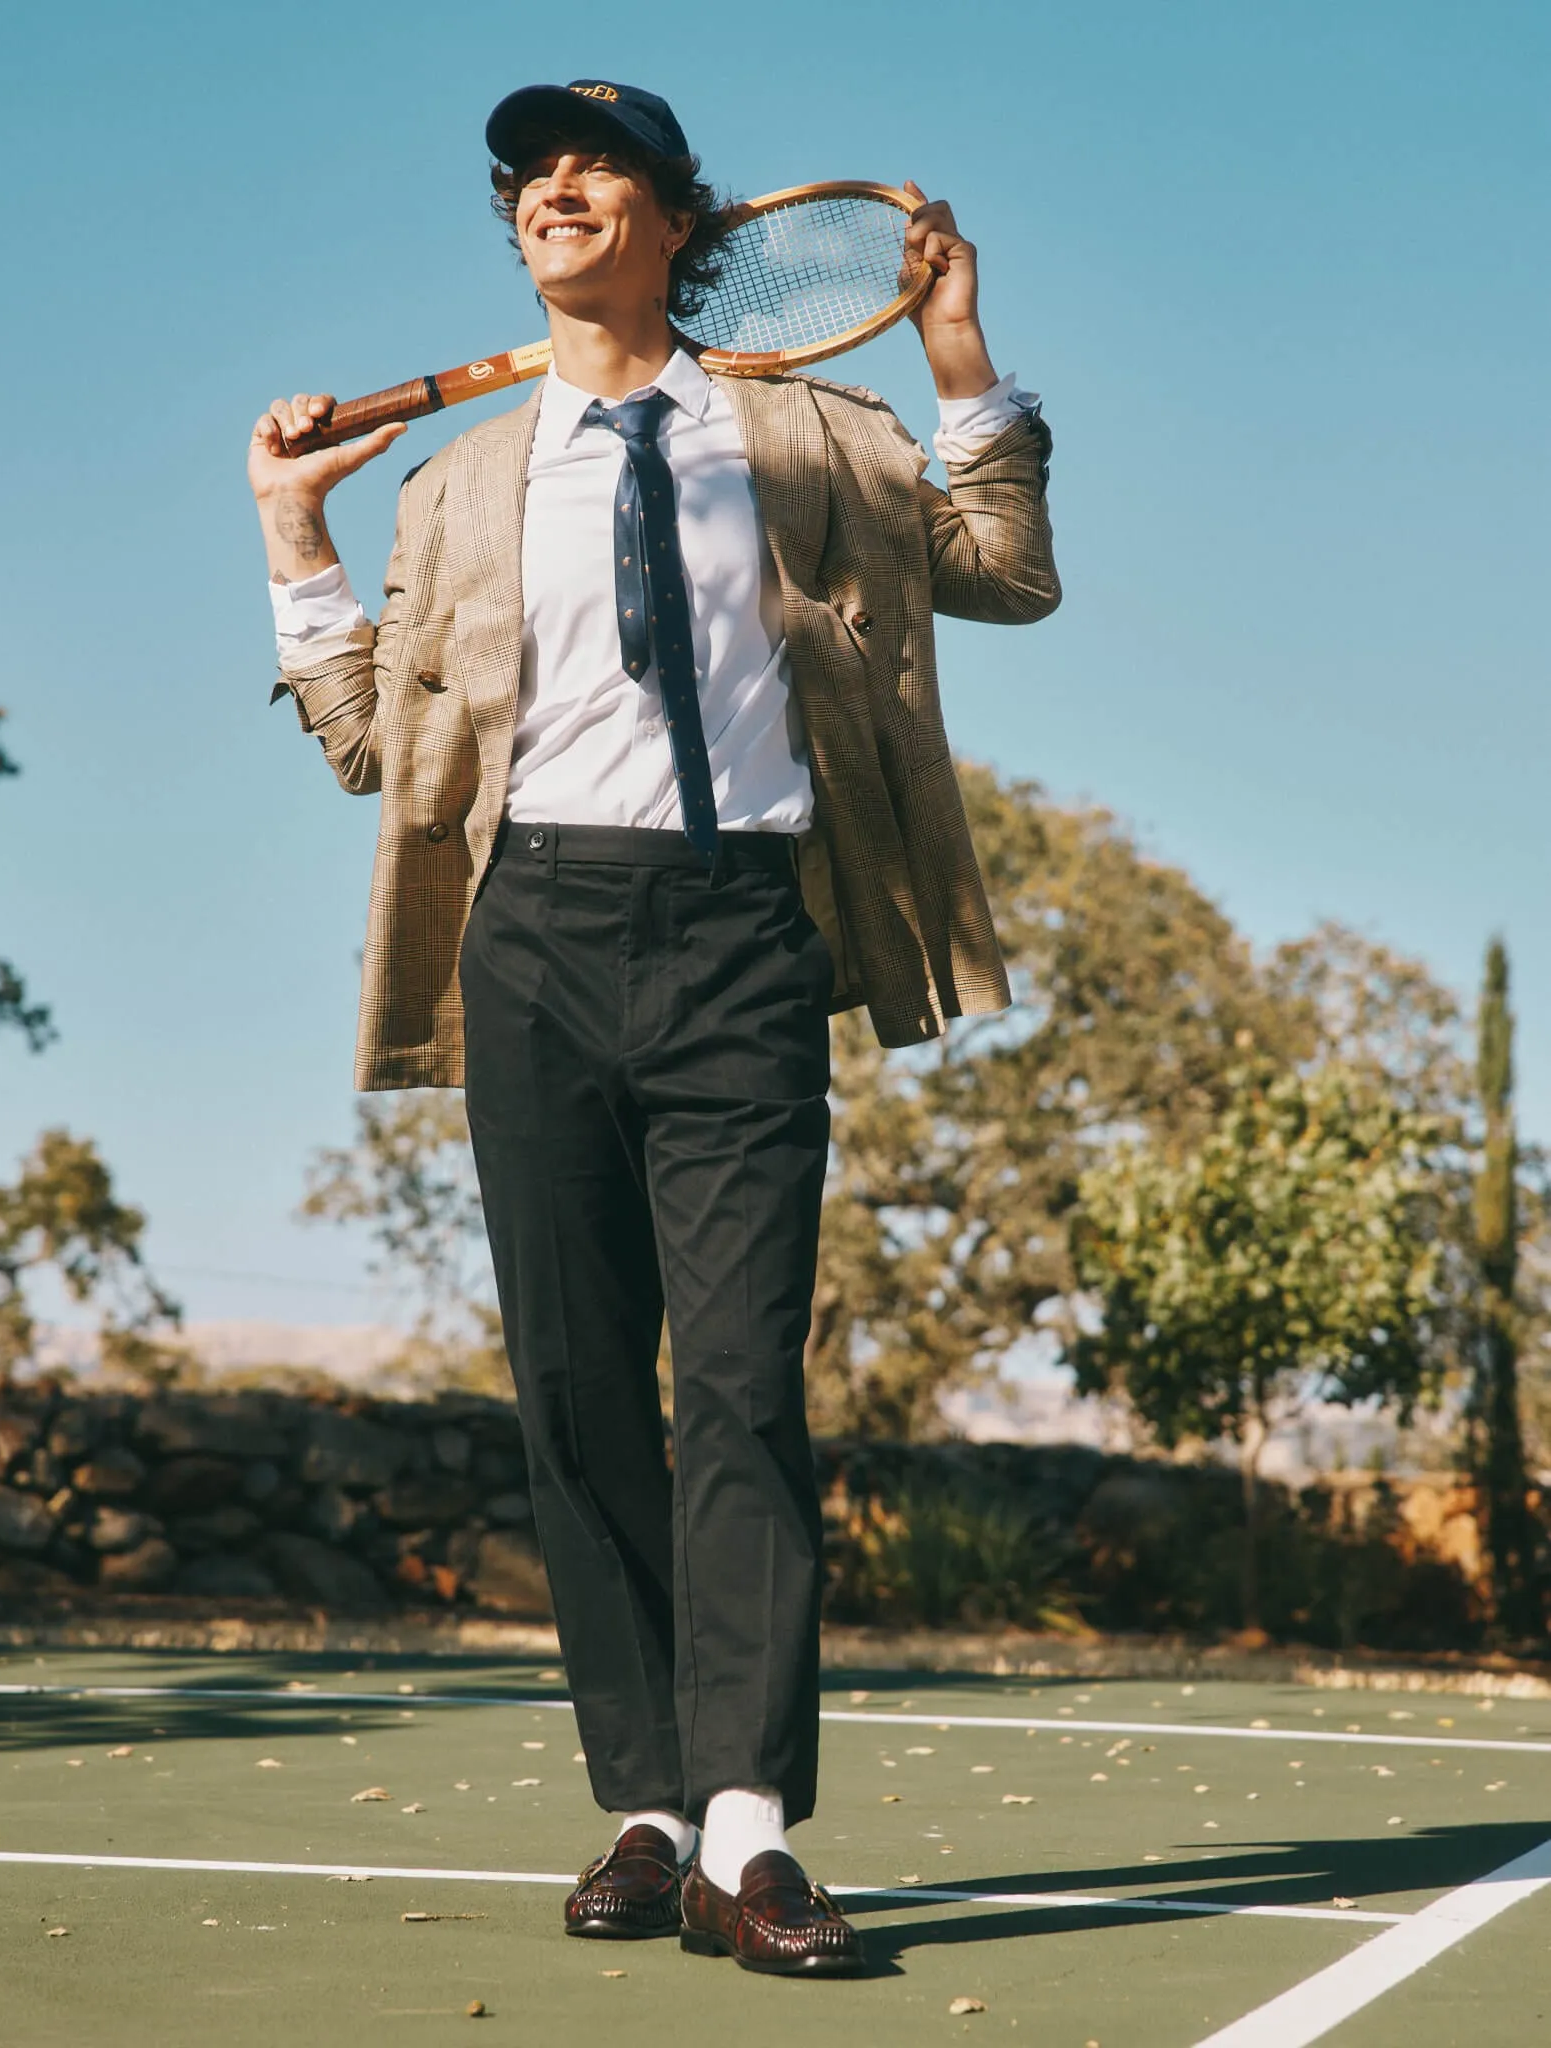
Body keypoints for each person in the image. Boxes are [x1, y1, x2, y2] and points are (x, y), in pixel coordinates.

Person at [247, 78, 1059, 1979]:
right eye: (530, 173)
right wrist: (294, 537)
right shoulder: (458, 483)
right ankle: (648, 1808)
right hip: (530, 933)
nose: (555, 187)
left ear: (681, 223)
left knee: (744, 1387)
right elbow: (373, 750)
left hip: (741, 936)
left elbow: (1007, 573)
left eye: (595, 166)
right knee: (577, 1389)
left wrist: (956, 353)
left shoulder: (813, 432)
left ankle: (750, 1837)